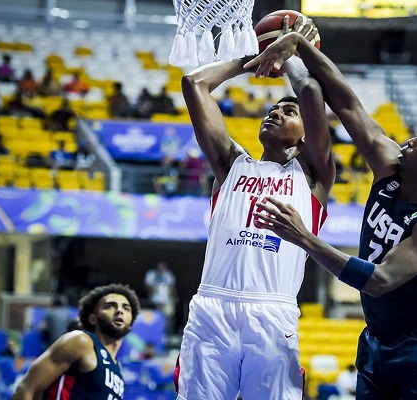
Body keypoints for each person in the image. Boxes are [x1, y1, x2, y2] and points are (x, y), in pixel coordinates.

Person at [246, 17, 417, 400]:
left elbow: (380, 280)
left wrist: (304, 237)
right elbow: (347, 103)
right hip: (377, 342)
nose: (410, 138)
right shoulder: (390, 164)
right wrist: (298, 47)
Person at [175, 22, 335, 399]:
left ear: (305, 136)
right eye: (273, 109)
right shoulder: (232, 165)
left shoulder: (312, 176)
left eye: (288, 112)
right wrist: (253, 58)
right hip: (212, 308)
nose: (276, 113)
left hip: (272, 313)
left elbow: (311, 91)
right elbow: (194, 84)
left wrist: (289, 54)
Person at [11, 283, 140, 400]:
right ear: (92, 319)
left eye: (126, 308)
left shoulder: (118, 368)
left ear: (130, 322)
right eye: (109, 306)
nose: (119, 311)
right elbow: (27, 388)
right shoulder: (81, 341)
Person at [144, 261, 178, 333]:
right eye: (160, 266)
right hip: (156, 299)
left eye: (163, 266)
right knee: (156, 316)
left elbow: (172, 287)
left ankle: (167, 331)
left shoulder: (168, 274)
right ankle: (154, 330)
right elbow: (147, 286)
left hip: (166, 299)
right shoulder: (152, 274)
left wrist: (174, 296)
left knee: (169, 315)